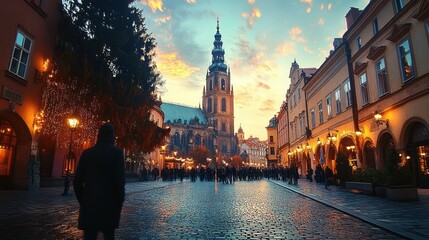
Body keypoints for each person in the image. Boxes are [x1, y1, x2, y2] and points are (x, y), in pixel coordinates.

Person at [73, 123, 125, 240]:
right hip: (109, 206)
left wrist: (84, 200)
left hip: (89, 205)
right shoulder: (116, 153)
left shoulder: (87, 153)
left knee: (89, 236)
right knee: (109, 236)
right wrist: (118, 204)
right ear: (112, 136)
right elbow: (120, 183)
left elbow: (77, 182)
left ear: (98, 135)